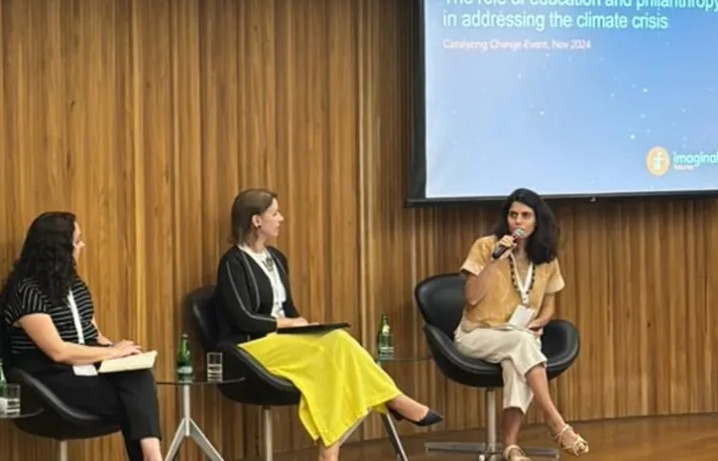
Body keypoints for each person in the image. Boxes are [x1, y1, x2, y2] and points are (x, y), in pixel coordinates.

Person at [212, 189, 442, 461]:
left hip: (284, 340)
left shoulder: (276, 258)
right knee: (334, 348)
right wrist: (290, 323)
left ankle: (333, 449)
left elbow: (289, 307)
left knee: (334, 341)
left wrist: (305, 326)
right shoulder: (232, 263)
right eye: (275, 213)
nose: (281, 218)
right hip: (251, 347)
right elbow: (243, 318)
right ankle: (393, 400)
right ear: (256, 221)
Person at [0, 211, 163, 461]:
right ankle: (154, 458)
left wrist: (118, 349)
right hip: (49, 377)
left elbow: (92, 333)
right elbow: (58, 351)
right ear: (59, 249)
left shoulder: (75, 285)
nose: (83, 245)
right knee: (135, 405)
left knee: (138, 375)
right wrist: (111, 353)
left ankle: (154, 457)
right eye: (78, 240)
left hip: (85, 368)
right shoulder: (26, 291)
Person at [455, 188, 588, 460]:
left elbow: (550, 306)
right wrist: (494, 261)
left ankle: (511, 447)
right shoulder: (485, 247)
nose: (518, 221)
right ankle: (557, 423)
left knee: (517, 360)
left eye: (525, 216)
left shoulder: (547, 257)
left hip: (518, 336)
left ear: (536, 221)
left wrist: (539, 322)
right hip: (477, 333)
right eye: (513, 215)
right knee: (522, 345)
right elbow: (470, 299)